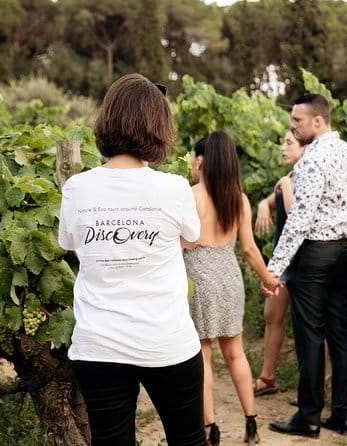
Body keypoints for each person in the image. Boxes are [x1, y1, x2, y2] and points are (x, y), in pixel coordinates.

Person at [58, 73, 206, 446]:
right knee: (189, 441)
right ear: (159, 126)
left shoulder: (76, 188)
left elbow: (72, 245)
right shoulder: (174, 188)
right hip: (167, 341)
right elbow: (191, 239)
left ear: (106, 119)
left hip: (99, 345)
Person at [266, 94, 347, 438]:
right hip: (346, 251)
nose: (293, 126)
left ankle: (308, 417)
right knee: (340, 335)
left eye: (298, 120)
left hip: (315, 254)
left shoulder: (312, 159)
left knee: (310, 336)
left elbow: (300, 219)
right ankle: (341, 416)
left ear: (318, 121)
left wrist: (274, 269)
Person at [183, 131, 280, 446]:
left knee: (203, 356)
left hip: (198, 279)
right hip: (229, 278)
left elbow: (184, 245)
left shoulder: (191, 196)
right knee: (235, 352)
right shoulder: (239, 199)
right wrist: (268, 279)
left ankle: (209, 429)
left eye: (193, 158)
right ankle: (251, 423)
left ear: (202, 161)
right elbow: (249, 250)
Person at [252, 131, 305, 397]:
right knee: (272, 315)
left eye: (289, 143)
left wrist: (284, 183)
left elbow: (296, 215)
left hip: (305, 261)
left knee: (310, 324)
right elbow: (273, 201)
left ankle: (318, 386)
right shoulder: (290, 178)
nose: (283, 148)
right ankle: (268, 377)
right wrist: (264, 205)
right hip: (283, 261)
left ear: (305, 148)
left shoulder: (304, 178)